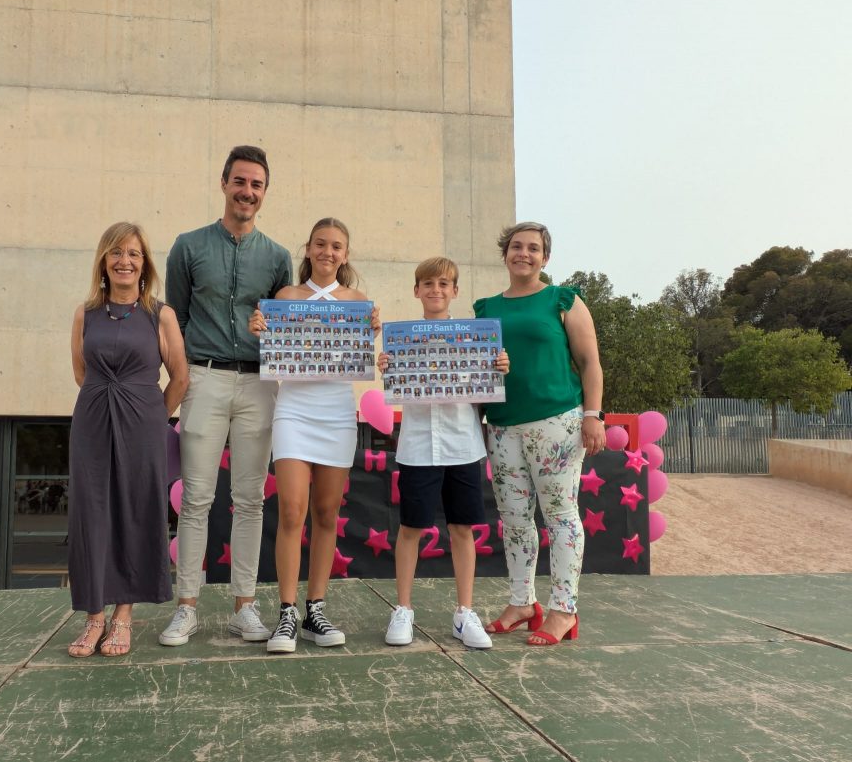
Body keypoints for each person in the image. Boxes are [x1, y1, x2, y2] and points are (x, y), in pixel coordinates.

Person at [159, 146, 293, 647]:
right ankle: (186, 607)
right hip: (204, 377)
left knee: (250, 499)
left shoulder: (278, 258)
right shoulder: (188, 247)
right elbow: (174, 320)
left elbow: (287, 327)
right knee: (196, 497)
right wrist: (180, 379)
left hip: (259, 382)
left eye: (256, 184)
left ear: (265, 192)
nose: (247, 192)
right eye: (240, 181)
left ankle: (244, 606)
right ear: (224, 183)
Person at [473, 221, 605, 646]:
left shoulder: (563, 299)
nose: (524, 254)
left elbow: (590, 362)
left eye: (533, 248)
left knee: (560, 516)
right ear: (505, 253)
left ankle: (563, 610)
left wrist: (593, 414)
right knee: (513, 519)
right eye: (516, 246)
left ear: (545, 257)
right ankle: (522, 603)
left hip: (556, 422)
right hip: (502, 426)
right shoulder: (485, 308)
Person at [248, 218, 374, 653]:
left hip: (337, 413)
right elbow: (272, 349)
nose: (327, 252)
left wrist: (373, 330)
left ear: (345, 254)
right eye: (321, 244)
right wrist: (260, 329)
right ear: (308, 248)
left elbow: (363, 355)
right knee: (291, 511)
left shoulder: (358, 302)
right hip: (294, 412)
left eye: (336, 246)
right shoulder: (285, 297)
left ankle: (315, 610)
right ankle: (286, 612)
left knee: (325, 513)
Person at [66, 222, 189, 657]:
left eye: (134, 253)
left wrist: (153, 416)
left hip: (143, 426)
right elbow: (81, 373)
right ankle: (93, 616)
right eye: (116, 252)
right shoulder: (85, 313)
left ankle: (122, 615)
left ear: (145, 264)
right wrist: (107, 400)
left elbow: (180, 377)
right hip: (93, 422)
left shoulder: (160, 315)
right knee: (91, 514)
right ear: (104, 261)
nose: (125, 261)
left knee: (135, 512)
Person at [377, 257, 509, 650]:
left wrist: (499, 365)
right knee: (411, 528)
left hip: (462, 443)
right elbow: (395, 381)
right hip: (417, 446)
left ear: (455, 291)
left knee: (462, 528)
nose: (436, 290)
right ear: (417, 290)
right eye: (429, 283)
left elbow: (489, 382)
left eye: (444, 284)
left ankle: (465, 613)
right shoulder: (402, 341)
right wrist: (387, 365)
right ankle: (403, 608)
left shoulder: (476, 339)